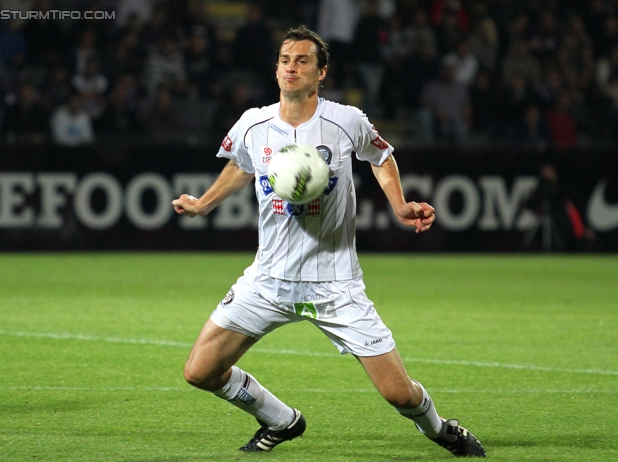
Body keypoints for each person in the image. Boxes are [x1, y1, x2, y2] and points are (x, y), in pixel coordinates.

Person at [172, 25, 486, 457]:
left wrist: (398, 204)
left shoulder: (345, 120)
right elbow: (241, 165)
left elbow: (381, 156)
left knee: (400, 395)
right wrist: (204, 203)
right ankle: (281, 419)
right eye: (285, 60)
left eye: (302, 60)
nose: (291, 67)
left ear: (321, 72)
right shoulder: (253, 123)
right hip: (269, 278)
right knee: (200, 372)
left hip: (334, 282)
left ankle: (439, 429)